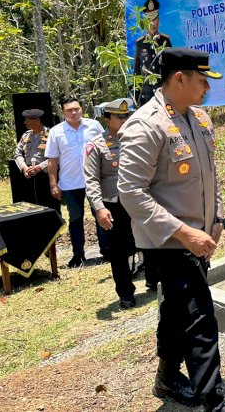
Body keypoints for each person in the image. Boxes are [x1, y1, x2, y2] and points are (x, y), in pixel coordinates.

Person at [117, 47, 225, 412]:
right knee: (199, 317)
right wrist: (185, 233)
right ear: (179, 79)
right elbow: (130, 193)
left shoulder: (198, 118)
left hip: (199, 238)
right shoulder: (145, 124)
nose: (206, 89)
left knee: (175, 310)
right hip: (169, 240)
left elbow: (209, 175)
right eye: (201, 82)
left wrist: (218, 219)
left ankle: (167, 376)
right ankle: (214, 402)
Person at [84, 98, 139, 308]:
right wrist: (99, 208)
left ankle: (154, 281)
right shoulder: (95, 145)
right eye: (120, 116)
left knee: (150, 241)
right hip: (113, 205)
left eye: (128, 115)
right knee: (118, 251)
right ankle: (126, 293)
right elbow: (91, 180)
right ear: (108, 120)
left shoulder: (138, 139)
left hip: (138, 200)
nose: (125, 120)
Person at [45, 97, 106, 268]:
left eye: (76, 109)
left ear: (82, 109)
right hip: (70, 183)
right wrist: (53, 184)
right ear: (63, 112)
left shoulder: (94, 126)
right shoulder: (56, 132)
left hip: (95, 180)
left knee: (101, 214)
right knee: (75, 218)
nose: (73, 112)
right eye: (69, 110)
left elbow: (105, 148)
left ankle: (106, 250)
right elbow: (52, 161)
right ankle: (78, 255)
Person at [13, 109, 60, 211]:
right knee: (30, 206)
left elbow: (57, 156)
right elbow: (17, 154)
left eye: (27, 120)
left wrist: (40, 167)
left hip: (46, 174)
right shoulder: (26, 135)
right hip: (28, 174)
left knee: (50, 206)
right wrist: (24, 168)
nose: (25, 122)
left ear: (37, 120)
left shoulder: (52, 135)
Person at [134, 0, 172, 106]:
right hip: (146, 96)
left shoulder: (165, 41)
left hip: (163, 93)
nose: (153, 23)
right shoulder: (140, 43)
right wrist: (137, 97)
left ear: (158, 20)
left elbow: (171, 69)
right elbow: (137, 71)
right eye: (149, 20)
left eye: (155, 19)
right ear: (145, 22)